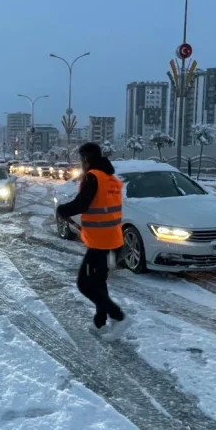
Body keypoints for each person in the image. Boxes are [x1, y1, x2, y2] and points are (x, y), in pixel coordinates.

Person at [55, 142, 128, 337]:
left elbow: (81, 204)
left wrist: (62, 210)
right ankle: (100, 323)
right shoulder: (111, 179)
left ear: (86, 159)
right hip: (113, 238)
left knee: (84, 284)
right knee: (98, 281)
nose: (81, 164)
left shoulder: (92, 177)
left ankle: (118, 316)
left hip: (99, 242)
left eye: (81, 160)